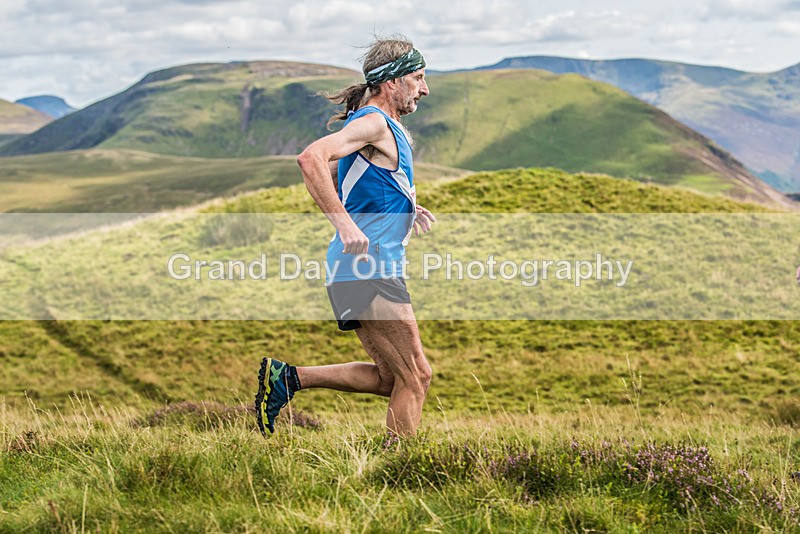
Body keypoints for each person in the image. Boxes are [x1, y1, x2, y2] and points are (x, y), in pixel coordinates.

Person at [255, 35, 436, 438]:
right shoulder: (374, 122)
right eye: (419, 77)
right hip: (368, 267)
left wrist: (405, 205)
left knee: (393, 378)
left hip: (355, 269)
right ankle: (399, 470)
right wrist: (345, 225)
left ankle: (287, 379)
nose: (424, 89)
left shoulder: (383, 129)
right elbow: (310, 159)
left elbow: (346, 181)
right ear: (392, 82)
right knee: (417, 376)